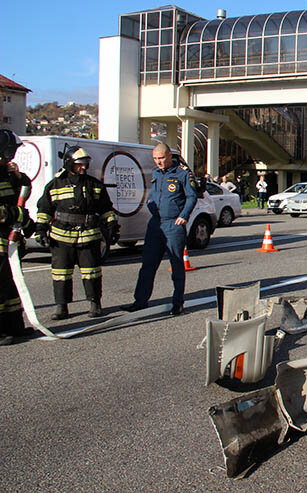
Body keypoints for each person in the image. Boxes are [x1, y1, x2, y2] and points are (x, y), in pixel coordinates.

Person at [35, 146, 119, 319]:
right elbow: (44, 209)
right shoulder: (55, 185)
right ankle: (61, 307)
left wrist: (112, 227)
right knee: (61, 273)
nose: (83, 168)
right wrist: (41, 230)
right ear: (69, 164)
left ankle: (95, 303)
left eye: (85, 164)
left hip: (88, 235)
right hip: (61, 236)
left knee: (92, 272)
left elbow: (105, 208)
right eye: (79, 164)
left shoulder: (94, 184)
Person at [125, 143, 198, 315]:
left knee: (176, 265)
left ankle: (177, 302)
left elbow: (191, 196)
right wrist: (150, 204)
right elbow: (152, 195)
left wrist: (184, 215)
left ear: (169, 156)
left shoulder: (182, 174)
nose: (158, 162)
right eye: (155, 159)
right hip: (156, 224)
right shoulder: (156, 173)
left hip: (173, 224)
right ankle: (140, 301)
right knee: (148, 264)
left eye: (161, 158)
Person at [0, 130, 34, 346]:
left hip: (8, 240)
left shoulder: (5, 172)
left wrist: (19, 177)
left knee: (9, 286)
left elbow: (21, 192)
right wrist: (16, 215)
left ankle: (14, 326)